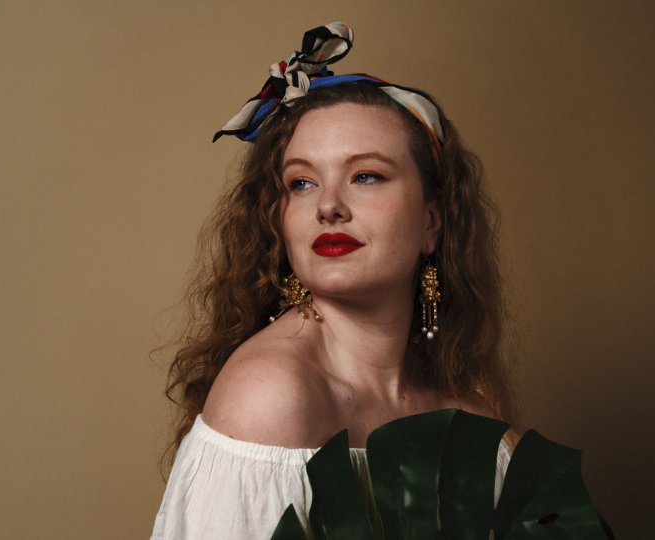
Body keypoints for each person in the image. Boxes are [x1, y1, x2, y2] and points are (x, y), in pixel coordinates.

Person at [152, 22, 516, 539]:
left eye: (366, 175)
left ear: (431, 223)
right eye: (301, 183)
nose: (327, 206)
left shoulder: (470, 417)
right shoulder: (270, 395)